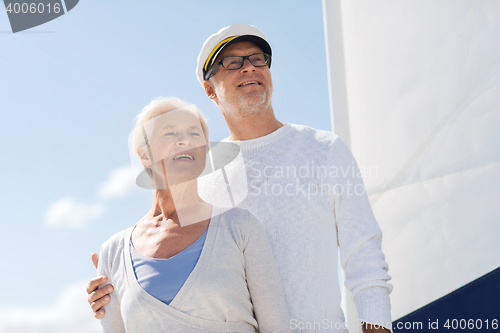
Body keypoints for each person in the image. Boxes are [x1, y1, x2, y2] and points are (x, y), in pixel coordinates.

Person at [88, 24, 393, 333]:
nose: (249, 67)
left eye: (258, 59)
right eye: (233, 62)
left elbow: (365, 258)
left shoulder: (324, 149)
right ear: (210, 89)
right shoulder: (202, 172)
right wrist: (119, 283)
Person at [95, 96, 291, 332]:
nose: (185, 140)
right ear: (144, 155)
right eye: (170, 133)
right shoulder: (113, 253)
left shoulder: (240, 227)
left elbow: (276, 326)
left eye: (194, 134)